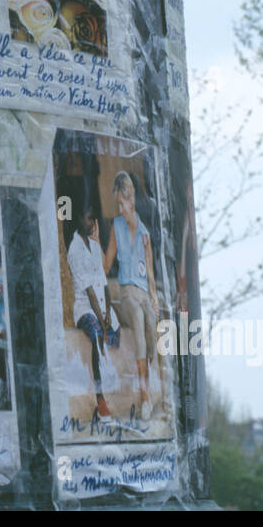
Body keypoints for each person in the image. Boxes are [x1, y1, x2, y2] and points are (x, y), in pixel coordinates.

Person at [104, 170, 160, 422]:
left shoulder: (145, 232)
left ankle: (149, 383)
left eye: (123, 201)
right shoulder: (116, 226)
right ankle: (145, 397)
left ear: (131, 198)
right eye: (118, 202)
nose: (121, 207)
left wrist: (154, 297)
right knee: (137, 322)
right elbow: (108, 260)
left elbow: (149, 269)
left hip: (143, 292)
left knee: (151, 325)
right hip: (126, 290)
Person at [67, 205, 117, 418]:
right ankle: (100, 397)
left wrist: (107, 313)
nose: (91, 223)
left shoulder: (94, 246)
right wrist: (101, 319)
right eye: (88, 219)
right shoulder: (74, 250)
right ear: (79, 219)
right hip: (85, 307)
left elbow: (103, 284)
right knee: (97, 334)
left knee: (114, 338)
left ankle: (110, 395)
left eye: (93, 219)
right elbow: (88, 290)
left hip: (102, 306)